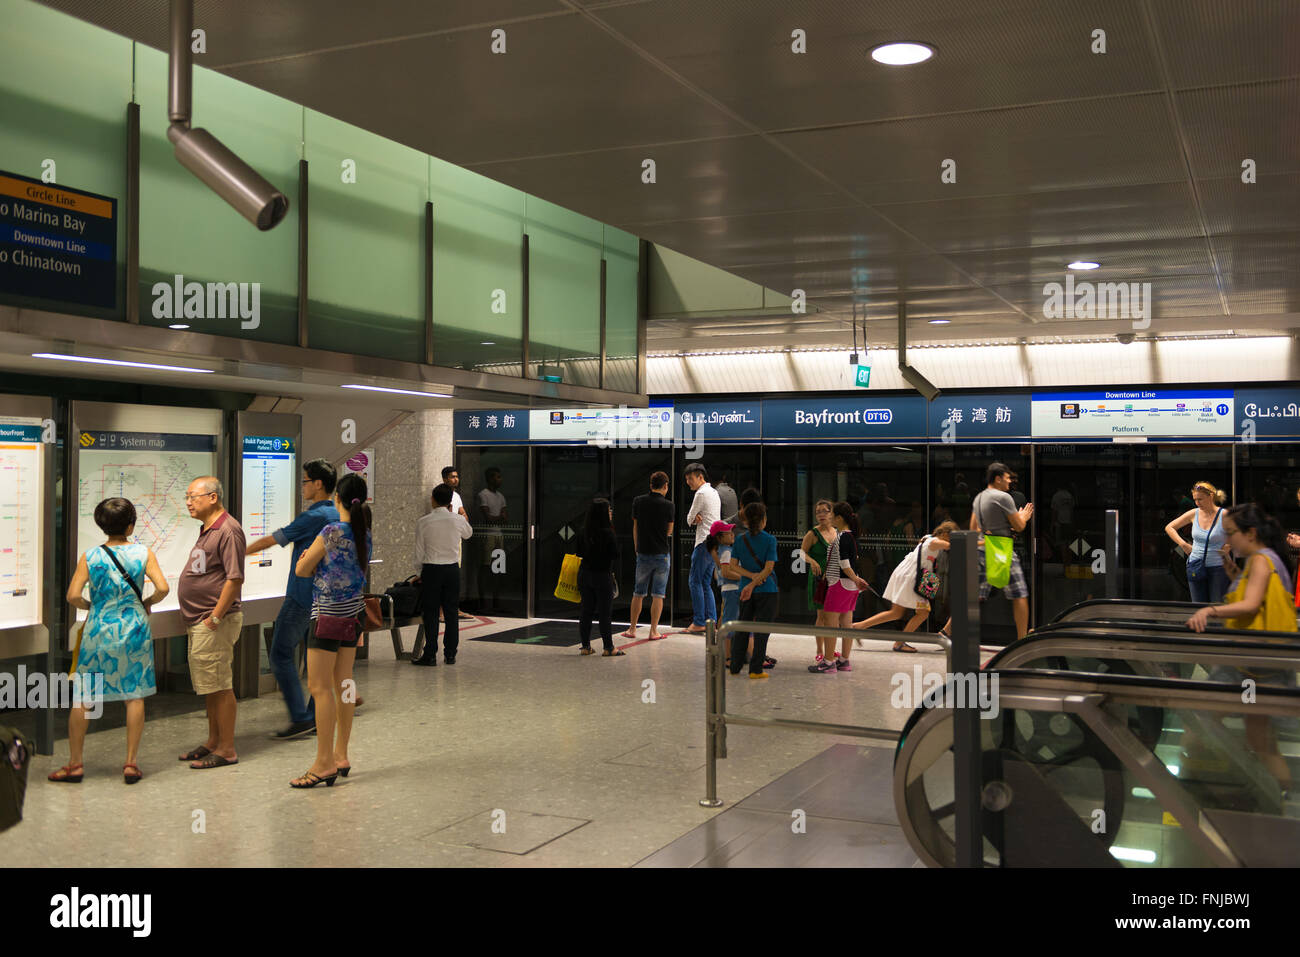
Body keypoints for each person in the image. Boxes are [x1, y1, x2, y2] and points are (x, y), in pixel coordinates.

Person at [49, 498, 169, 785]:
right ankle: (130, 763)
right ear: (131, 524)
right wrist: (147, 602)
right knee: (134, 695)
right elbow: (163, 587)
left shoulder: (91, 556)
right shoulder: (144, 553)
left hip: (99, 629)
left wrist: (93, 606)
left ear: (101, 524)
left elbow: (72, 596)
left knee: (84, 696)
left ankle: (75, 764)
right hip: (134, 628)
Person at [1186, 504, 1297, 802]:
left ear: (1251, 533)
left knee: (1200, 717)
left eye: (1232, 533)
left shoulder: (1261, 560)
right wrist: (1233, 571)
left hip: (1253, 665)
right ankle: (1285, 793)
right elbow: (1257, 598)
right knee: (1259, 737)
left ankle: (1210, 786)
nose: (1229, 539)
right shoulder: (1266, 560)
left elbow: (1249, 605)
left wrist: (1210, 609)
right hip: (1263, 665)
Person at [245, 458, 339, 739]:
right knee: (316, 658)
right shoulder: (335, 514)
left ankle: (300, 716)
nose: (303, 487)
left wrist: (238, 552)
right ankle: (313, 714)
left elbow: (273, 539)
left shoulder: (313, 517)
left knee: (280, 653)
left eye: (306, 481)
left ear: (318, 484)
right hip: (325, 598)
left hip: (301, 596)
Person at [290, 473, 371, 788]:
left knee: (319, 688)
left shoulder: (331, 531)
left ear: (338, 498)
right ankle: (341, 755)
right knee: (346, 683)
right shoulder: (364, 533)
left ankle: (323, 763)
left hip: (326, 615)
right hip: (353, 616)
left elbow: (302, 568)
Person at [176, 477, 245, 770]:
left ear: (213, 497)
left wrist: (215, 617)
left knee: (220, 685)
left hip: (215, 620)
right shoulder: (208, 529)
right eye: (187, 497)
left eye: (194, 496)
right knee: (210, 686)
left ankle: (227, 749)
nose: (189, 502)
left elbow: (234, 578)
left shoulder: (228, 530)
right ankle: (213, 741)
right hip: (202, 619)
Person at [854, 521, 958, 650]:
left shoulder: (927, 537)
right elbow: (950, 545)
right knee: (923, 613)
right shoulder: (934, 541)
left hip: (908, 574)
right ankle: (900, 643)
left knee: (896, 612)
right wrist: (979, 542)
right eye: (950, 536)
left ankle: (859, 626)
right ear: (944, 533)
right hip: (912, 577)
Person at [970, 462, 1034, 641]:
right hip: (1000, 550)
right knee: (1019, 593)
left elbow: (973, 529)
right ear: (997, 479)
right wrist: (1024, 517)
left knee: (974, 598)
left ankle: (947, 632)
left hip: (981, 549)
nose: (1010, 482)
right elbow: (1019, 526)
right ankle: (1022, 640)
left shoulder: (979, 498)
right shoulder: (1004, 498)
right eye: (1007, 478)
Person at [808, 502, 873, 673]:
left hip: (839, 584)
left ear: (838, 517)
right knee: (846, 622)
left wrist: (856, 579)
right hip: (850, 586)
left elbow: (844, 564)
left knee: (831, 623)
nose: (828, 517)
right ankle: (844, 660)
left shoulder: (842, 536)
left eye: (831, 515)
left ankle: (828, 662)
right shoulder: (851, 536)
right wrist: (856, 580)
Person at [413, 483, 473, 666]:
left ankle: (430, 653)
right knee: (451, 611)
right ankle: (450, 654)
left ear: (433, 500)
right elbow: (468, 534)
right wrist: (458, 516)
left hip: (431, 570)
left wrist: (419, 572)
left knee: (431, 612)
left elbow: (419, 553)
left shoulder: (423, 522)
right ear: (450, 502)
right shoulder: (457, 520)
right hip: (452, 570)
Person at [729, 503, 778, 678]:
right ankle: (756, 669)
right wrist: (755, 582)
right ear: (763, 520)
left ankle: (735, 667)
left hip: (744, 591)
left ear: (746, 521)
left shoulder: (740, 540)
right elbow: (768, 569)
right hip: (767, 590)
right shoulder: (770, 540)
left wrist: (749, 579)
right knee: (761, 630)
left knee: (742, 628)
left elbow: (733, 566)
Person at [623, 471, 674, 640]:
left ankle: (632, 629)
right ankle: (654, 631)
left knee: (638, 593)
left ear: (651, 485)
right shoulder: (669, 505)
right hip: (662, 554)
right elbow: (669, 530)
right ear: (665, 486)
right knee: (658, 594)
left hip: (643, 552)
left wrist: (637, 547)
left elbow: (635, 527)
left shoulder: (638, 501)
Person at [1165, 481, 1229, 604]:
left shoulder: (1224, 514)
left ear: (1210, 496)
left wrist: (1229, 545)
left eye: (1200, 499)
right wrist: (1183, 545)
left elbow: (1240, 533)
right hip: (1196, 565)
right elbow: (1169, 527)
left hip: (1217, 567)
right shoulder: (1194, 513)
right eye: (1195, 500)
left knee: (1216, 608)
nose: (1197, 503)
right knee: (1198, 608)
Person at [575, 498, 623, 656]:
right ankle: (608, 648)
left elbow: (579, 553)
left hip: (584, 574)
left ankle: (585, 646)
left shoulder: (583, 531)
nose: (611, 513)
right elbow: (615, 554)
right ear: (603, 513)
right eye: (609, 510)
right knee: (604, 613)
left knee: (586, 611)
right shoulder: (608, 532)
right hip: (602, 576)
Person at [683, 464, 721, 634]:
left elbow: (689, 518)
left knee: (695, 582)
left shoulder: (700, 493)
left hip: (703, 542)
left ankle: (698, 621)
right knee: (706, 584)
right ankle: (710, 621)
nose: (688, 482)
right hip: (714, 543)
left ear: (700, 477)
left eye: (690, 478)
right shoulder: (714, 492)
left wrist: (693, 518)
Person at [800, 501, 836, 667]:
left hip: (835, 578)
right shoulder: (813, 534)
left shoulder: (836, 532)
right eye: (818, 512)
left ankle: (830, 648)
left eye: (824, 511)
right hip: (818, 579)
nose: (821, 515)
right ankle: (820, 650)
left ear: (831, 513)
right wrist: (812, 561)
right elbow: (802, 553)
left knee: (833, 616)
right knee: (821, 615)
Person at [476, 467, 507, 612]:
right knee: (486, 567)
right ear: (490, 478)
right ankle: (483, 602)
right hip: (488, 535)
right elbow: (488, 519)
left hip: (499, 535)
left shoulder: (501, 496)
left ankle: (496, 602)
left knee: (498, 568)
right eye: (497, 477)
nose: (500, 480)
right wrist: (499, 518)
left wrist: (498, 518)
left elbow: (505, 519)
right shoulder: (483, 495)